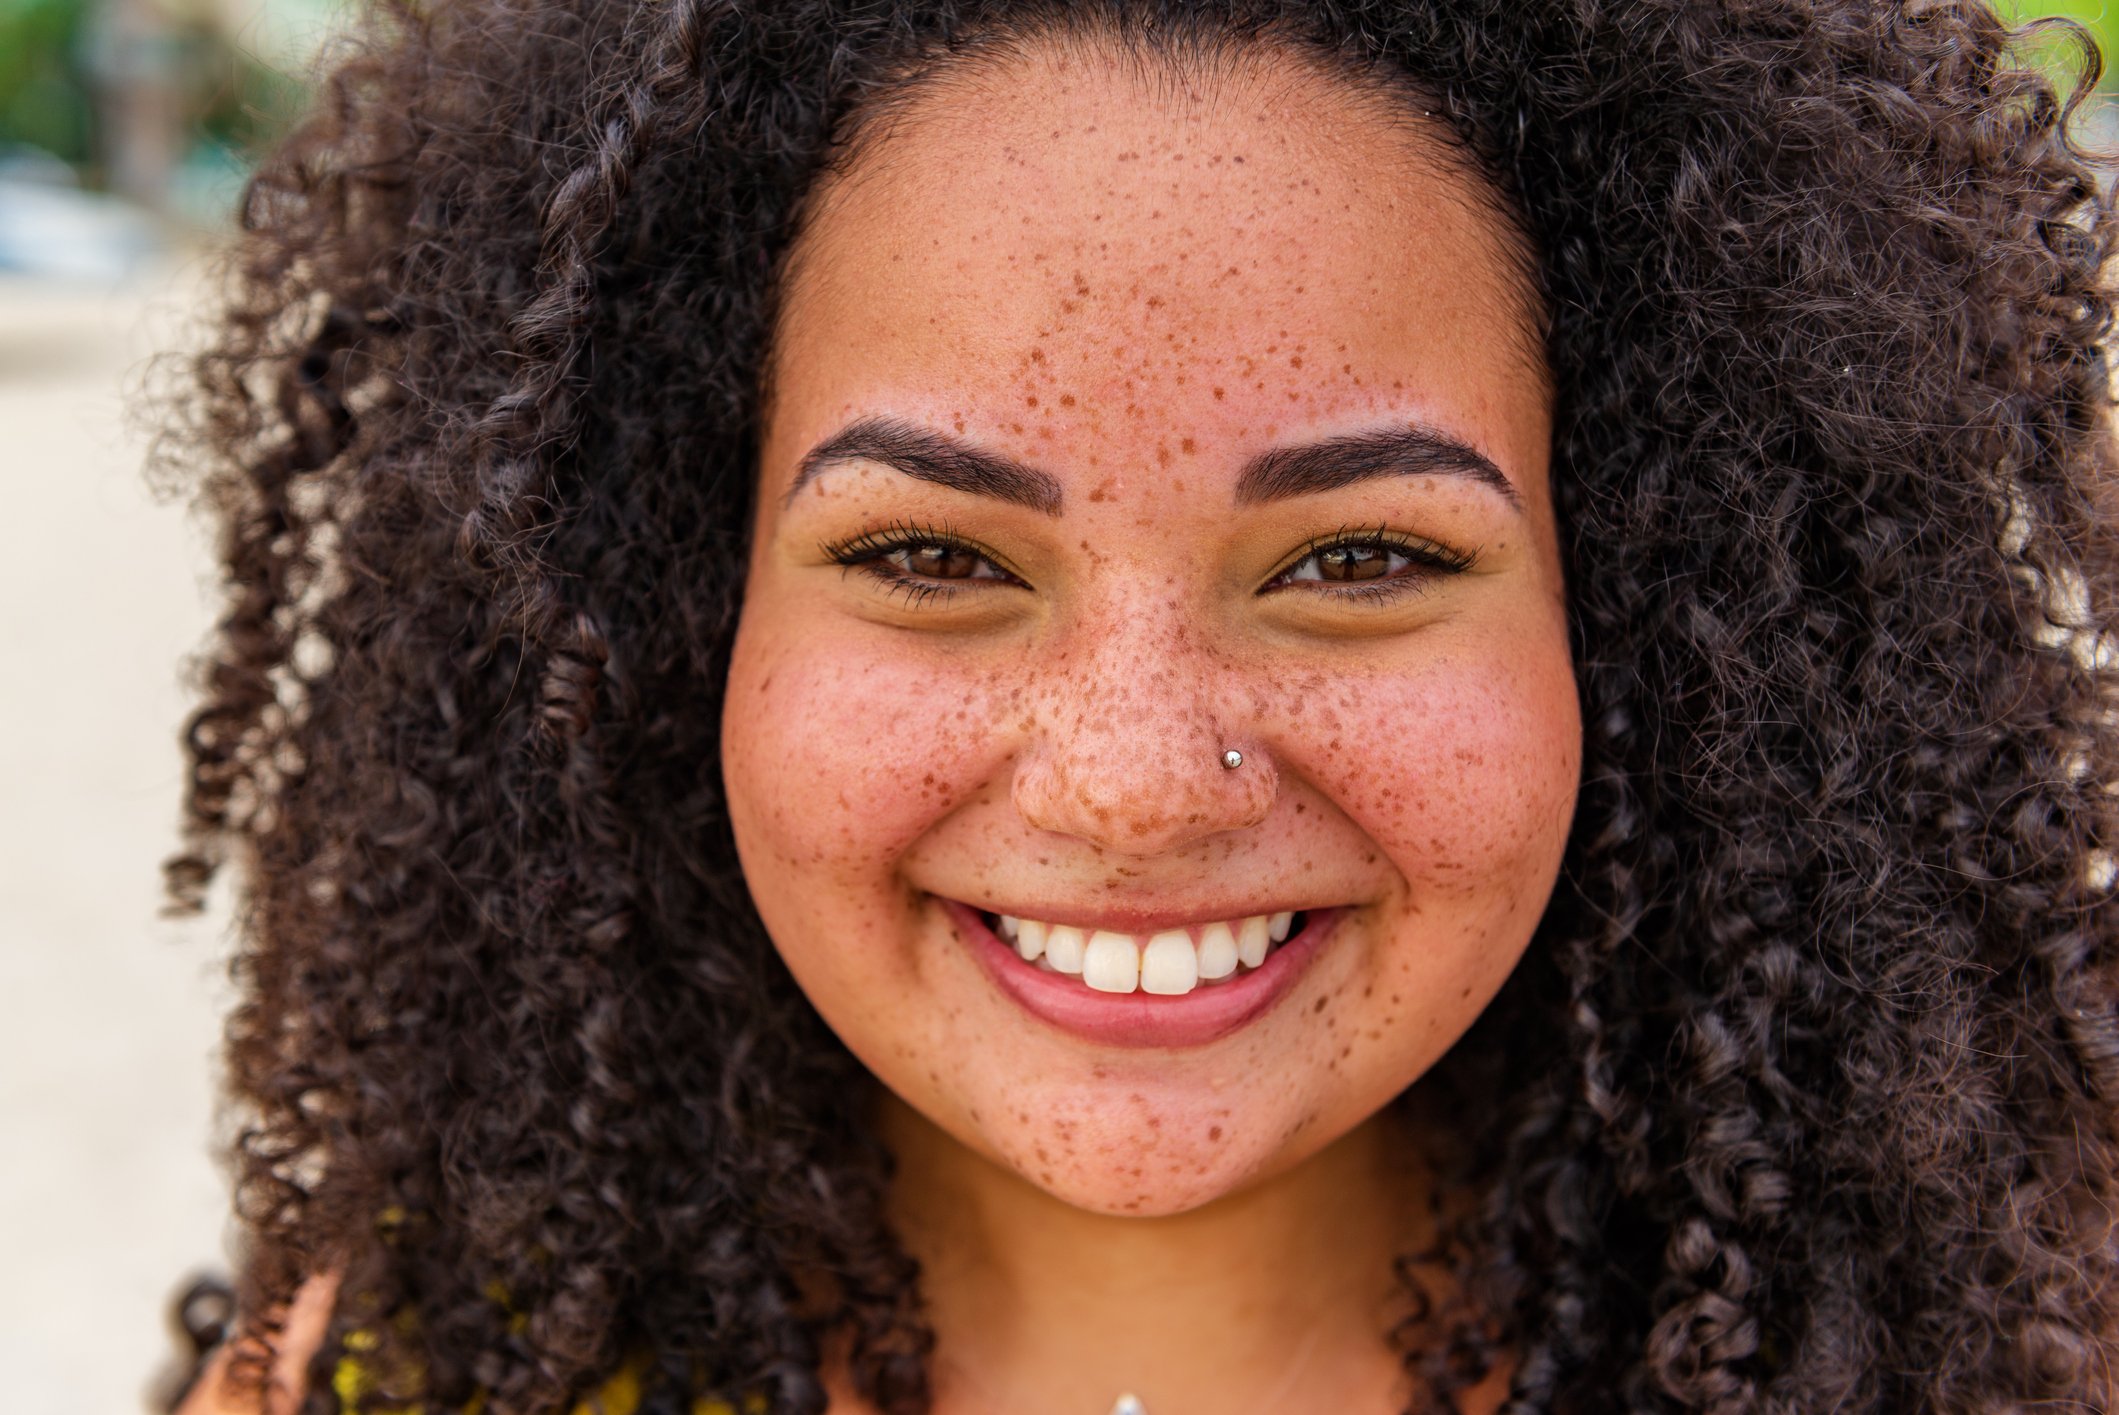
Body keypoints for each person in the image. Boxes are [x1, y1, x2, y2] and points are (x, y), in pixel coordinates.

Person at [156, 2, 2119, 1412]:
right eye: (931, 559)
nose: (1134, 783)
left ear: (1649, 619)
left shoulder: (2016, 1359)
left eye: (1360, 561)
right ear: (674, 612)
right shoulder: (392, 1375)